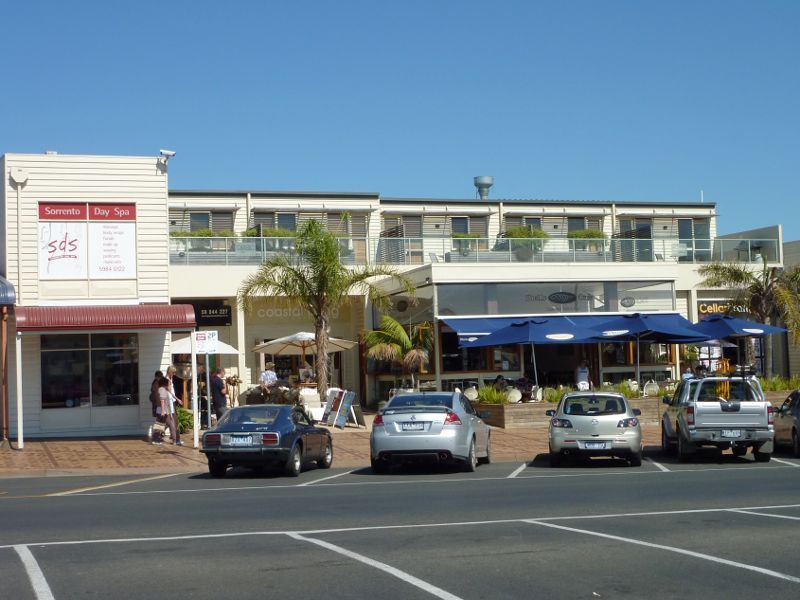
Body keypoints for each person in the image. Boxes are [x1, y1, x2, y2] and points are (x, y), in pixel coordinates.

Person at [158, 376, 183, 446]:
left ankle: (158, 435)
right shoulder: (162, 390)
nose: (170, 386)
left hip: (169, 409)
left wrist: (178, 399)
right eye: (169, 384)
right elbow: (162, 401)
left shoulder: (167, 390)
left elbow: (172, 395)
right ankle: (175, 440)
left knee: (166, 424)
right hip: (166, 410)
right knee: (171, 424)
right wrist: (163, 411)